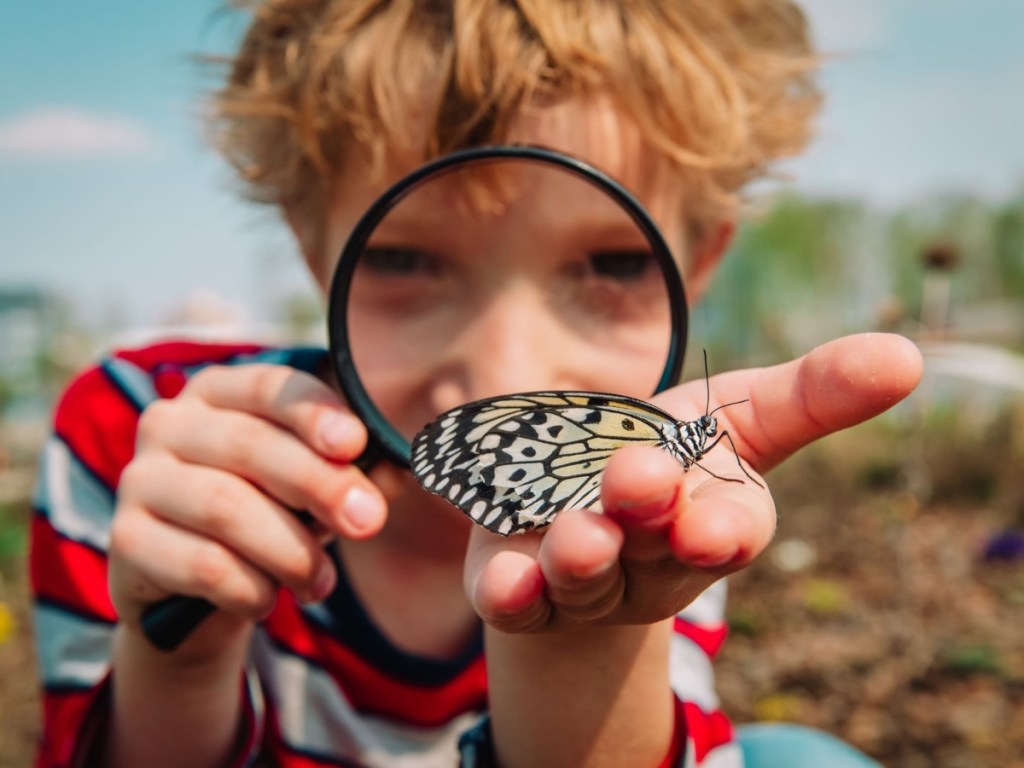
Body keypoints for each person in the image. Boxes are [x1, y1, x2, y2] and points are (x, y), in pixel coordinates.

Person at [29, 1, 923, 767]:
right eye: (403, 258)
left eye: (611, 263)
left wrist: (585, 644)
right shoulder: (149, 429)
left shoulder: (661, 486)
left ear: (700, 264)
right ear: (316, 254)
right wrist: (175, 659)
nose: (504, 372)